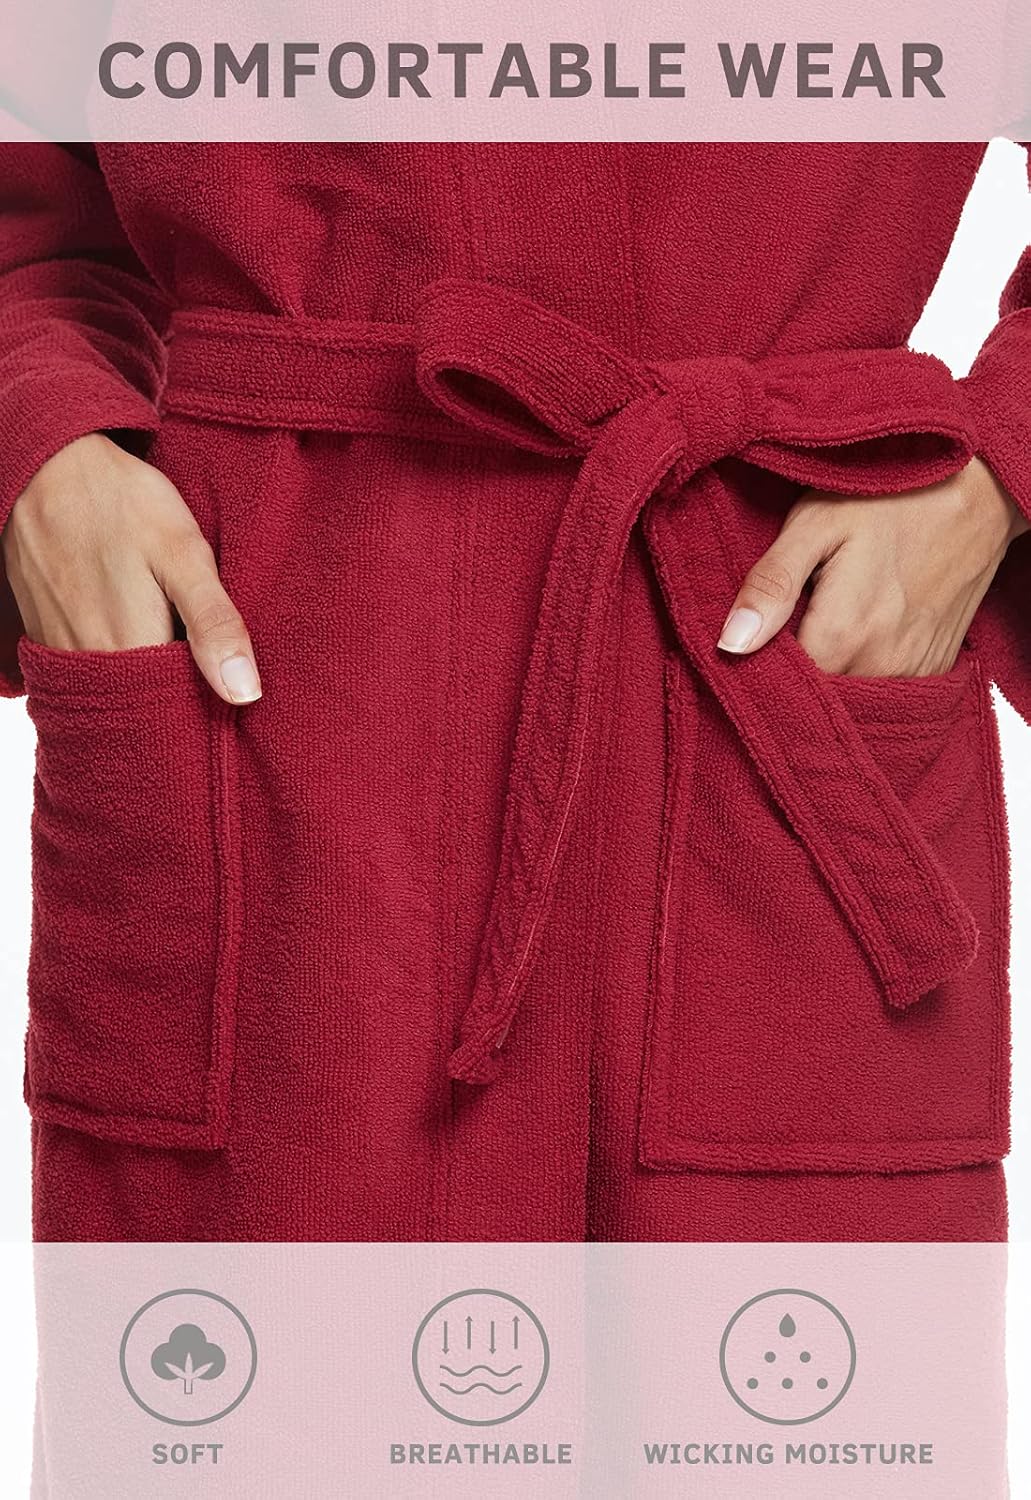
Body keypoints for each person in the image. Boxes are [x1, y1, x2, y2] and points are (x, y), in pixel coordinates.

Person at [0, 142, 1028, 1243]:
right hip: (275, 680)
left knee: (794, 1337)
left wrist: (998, 471)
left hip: (761, 646)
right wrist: (40, 442)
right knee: (251, 1339)